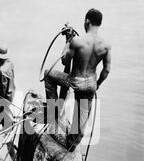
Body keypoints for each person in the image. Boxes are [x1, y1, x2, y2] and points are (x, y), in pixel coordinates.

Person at [44, 8, 111, 151]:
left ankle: (53, 111)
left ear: (87, 21)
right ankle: (72, 144)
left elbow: (64, 60)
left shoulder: (77, 41)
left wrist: (68, 42)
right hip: (91, 84)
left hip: (74, 80)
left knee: (48, 74)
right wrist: (98, 84)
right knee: (82, 115)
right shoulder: (106, 45)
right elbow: (106, 70)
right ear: (99, 24)